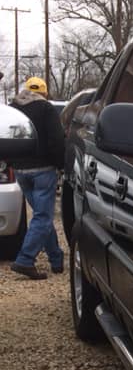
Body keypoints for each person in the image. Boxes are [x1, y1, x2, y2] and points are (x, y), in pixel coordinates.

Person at [9, 76, 65, 280]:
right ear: (44, 93)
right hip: (43, 170)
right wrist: (61, 164)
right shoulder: (47, 109)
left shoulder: (13, 109)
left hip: (21, 171)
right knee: (43, 216)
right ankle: (25, 259)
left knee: (42, 216)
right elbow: (57, 140)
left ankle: (56, 260)